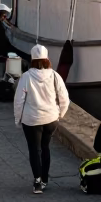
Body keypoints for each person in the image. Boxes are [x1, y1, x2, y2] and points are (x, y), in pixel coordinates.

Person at [13, 44, 70, 194]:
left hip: (31, 120)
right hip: (51, 119)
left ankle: (37, 181)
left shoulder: (26, 77)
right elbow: (65, 98)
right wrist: (60, 115)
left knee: (34, 150)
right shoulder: (55, 75)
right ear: (47, 59)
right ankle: (45, 179)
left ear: (32, 59)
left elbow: (19, 100)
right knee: (45, 148)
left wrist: (17, 119)